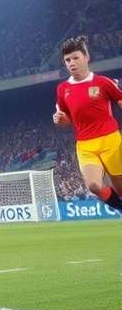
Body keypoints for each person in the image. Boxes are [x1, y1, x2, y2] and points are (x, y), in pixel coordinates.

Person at [53, 36, 122, 212]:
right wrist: (60, 120)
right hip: (85, 145)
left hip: (111, 140)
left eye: (75, 57)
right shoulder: (62, 89)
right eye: (67, 60)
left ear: (86, 57)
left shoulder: (103, 82)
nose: (71, 63)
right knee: (93, 185)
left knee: (120, 187)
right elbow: (65, 121)